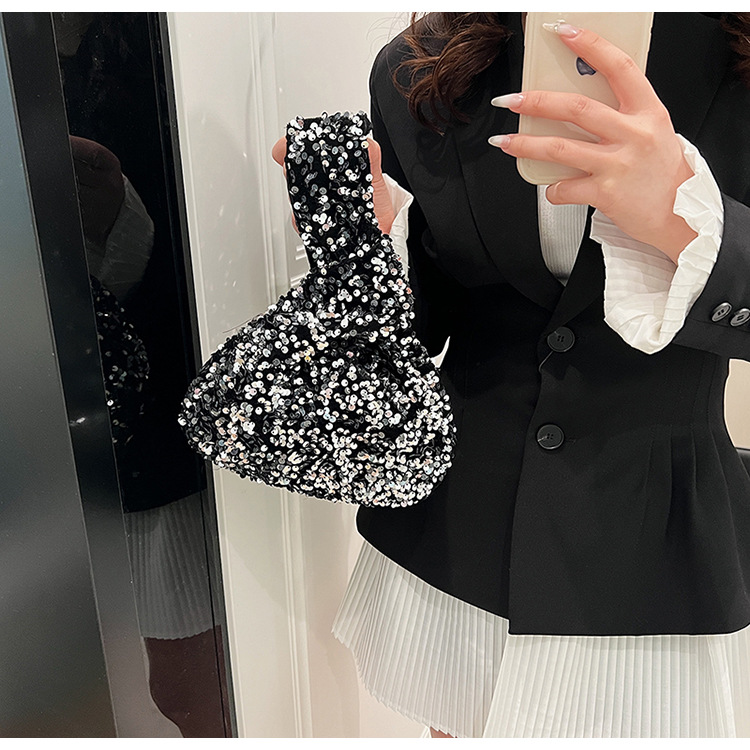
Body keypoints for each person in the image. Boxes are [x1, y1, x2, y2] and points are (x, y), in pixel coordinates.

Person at [273, 12, 750, 738]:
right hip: (461, 540)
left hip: (658, 550)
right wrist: (363, 257)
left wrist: (687, 221)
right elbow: (425, 330)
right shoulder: (422, 69)